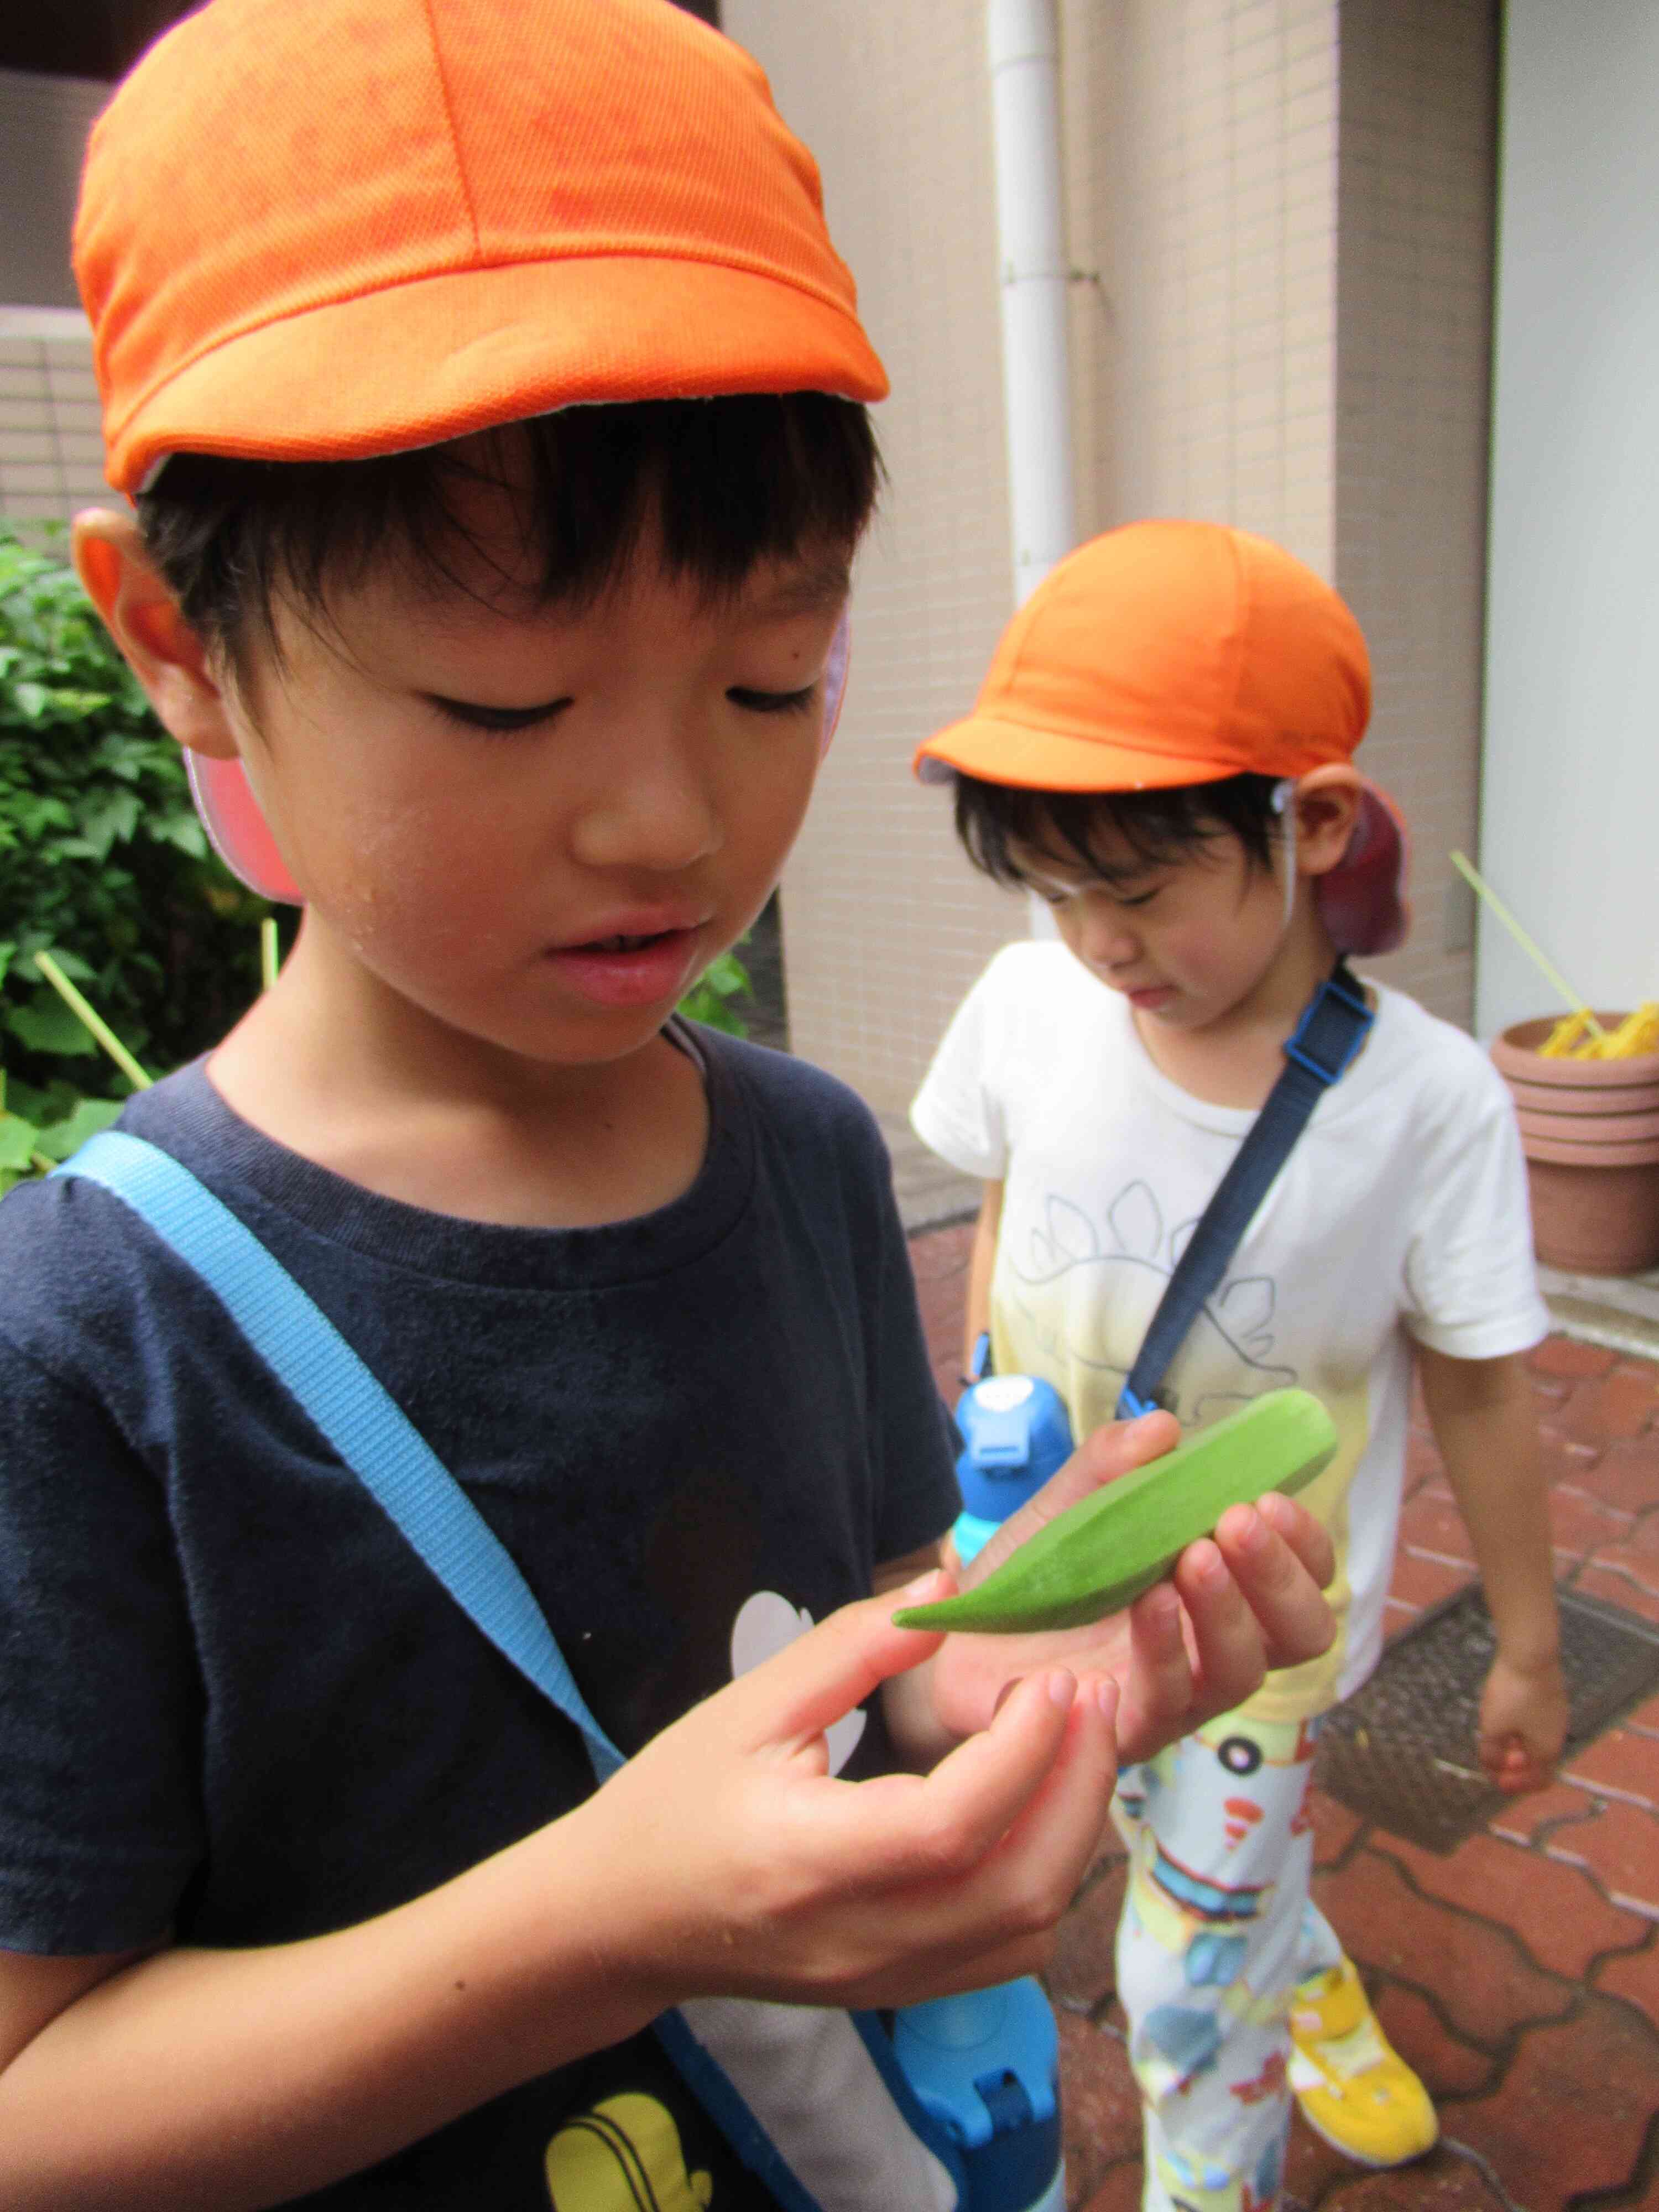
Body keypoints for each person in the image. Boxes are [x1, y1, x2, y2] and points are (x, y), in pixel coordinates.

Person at [0, 10, 1337, 2206]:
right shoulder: (83, 1345)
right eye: (504, 699)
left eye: (769, 673)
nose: (670, 818)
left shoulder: (805, 1158)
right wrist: (605, 1919)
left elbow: (861, 1637)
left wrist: (1003, 1675)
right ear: (178, 640)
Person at [909, 520, 1568, 2209]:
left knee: (1184, 1985)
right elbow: (1005, 1210)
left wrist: (1528, 1639)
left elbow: (1484, 1385)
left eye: (1136, 891)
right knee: (1161, 1857)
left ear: (1313, 822)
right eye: (1058, 894)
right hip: (1053, 1561)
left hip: (1261, 1642)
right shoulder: (1027, 1005)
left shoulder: (1426, 1106)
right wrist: (987, 1425)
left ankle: (1223, 2137)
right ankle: (1291, 1944)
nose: (1098, 945)